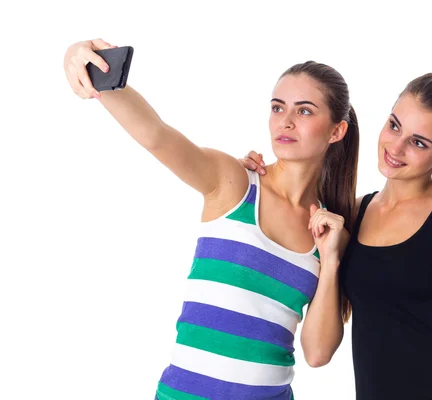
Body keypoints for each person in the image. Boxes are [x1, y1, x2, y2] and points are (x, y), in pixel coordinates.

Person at [63, 38, 360, 400]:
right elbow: (156, 135)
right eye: (278, 107)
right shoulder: (234, 182)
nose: (285, 122)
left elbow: (317, 354)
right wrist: (94, 70)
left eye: (305, 111)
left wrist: (330, 260)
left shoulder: (326, 230)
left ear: (336, 131)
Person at [243, 73, 432, 399]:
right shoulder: (351, 215)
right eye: (394, 125)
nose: (395, 147)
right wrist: (253, 180)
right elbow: (316, 352)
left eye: (418, 142)